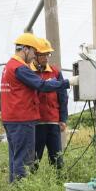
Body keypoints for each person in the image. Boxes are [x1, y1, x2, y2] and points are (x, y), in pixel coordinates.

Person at [0, 33, 71, 182]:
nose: (34, 56)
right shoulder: (20, 68)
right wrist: (69, 82)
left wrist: (62, 117)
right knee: (24, 160)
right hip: (22, 119)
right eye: (34, 52)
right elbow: (42, 85)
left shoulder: (9, 66)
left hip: (12, 119)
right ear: (26, 49)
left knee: (15, 157)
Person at [32, 38, 68, 171]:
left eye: (48, 54)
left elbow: (63, 97)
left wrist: (63, 119)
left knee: (57, 159)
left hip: (53, 122)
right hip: (35, 123)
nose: (46, 57)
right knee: (34, 159)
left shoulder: (56, 72)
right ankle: (30, 186)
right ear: (34, 54)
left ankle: (59, 185)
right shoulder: (28, 72)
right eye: (43, 54)